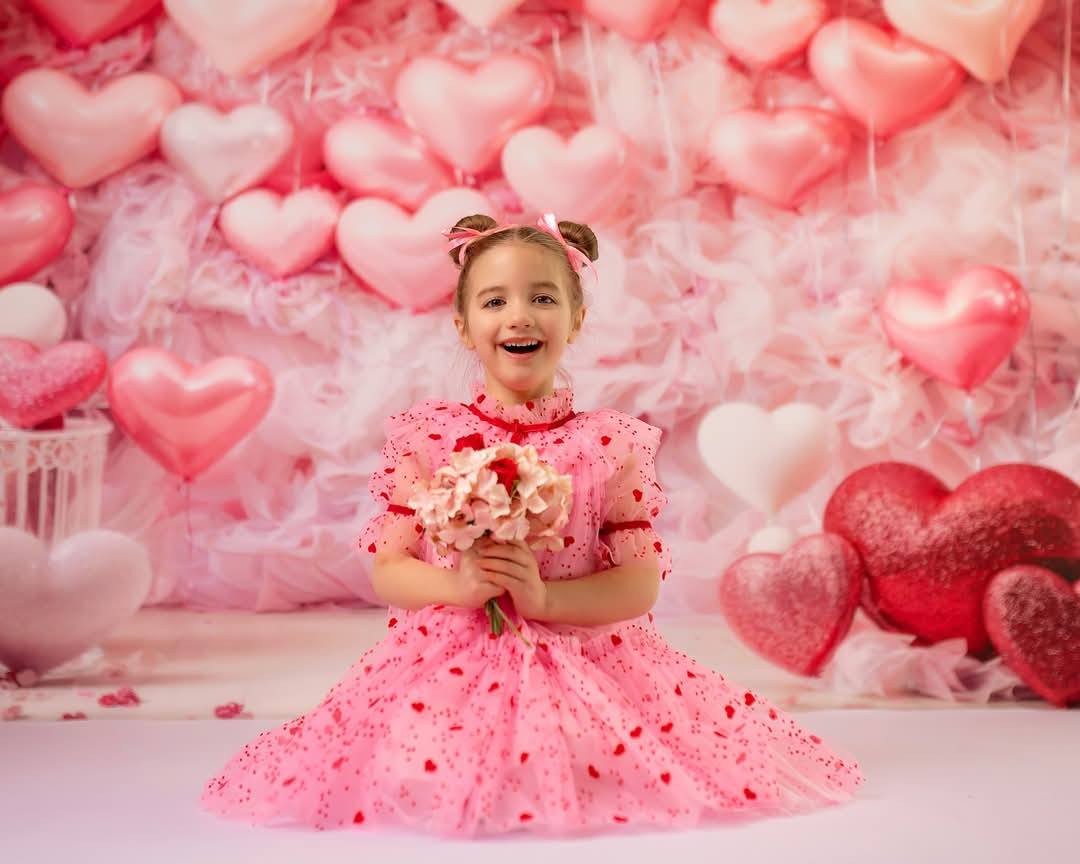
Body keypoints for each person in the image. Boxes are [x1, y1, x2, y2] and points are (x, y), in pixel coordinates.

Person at [200, 212, 863, 836]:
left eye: (543, 298)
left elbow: (638, 585)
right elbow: (391, 570)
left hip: (583, 653)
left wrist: (547, 600)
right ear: (463, 326)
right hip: (451, 655)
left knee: (587, 748)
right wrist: (460, 588)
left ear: (575, 319)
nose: (519, 315)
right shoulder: (429, 439)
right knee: (421, 747)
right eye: (494, 301)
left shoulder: (609, 445)